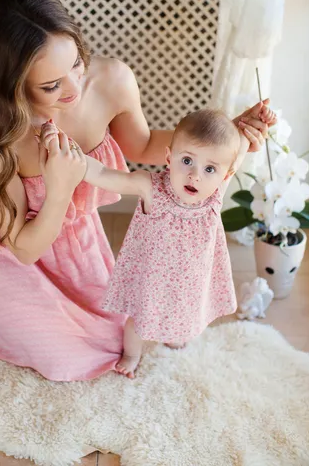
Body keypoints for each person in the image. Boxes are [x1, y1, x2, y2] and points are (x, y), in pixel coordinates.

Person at [0, 0, 272, 382]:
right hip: (11, 248)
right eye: (51, 86)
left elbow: (147, 145)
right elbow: (24, 249)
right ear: (11, 87)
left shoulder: (112, 80)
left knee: (117, 336)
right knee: (68, 361)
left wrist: (222, 142)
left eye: (77, 64)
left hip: (73, 245)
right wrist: (59, 187)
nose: (75, 89)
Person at [40, 107, 275, 378]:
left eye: (209, 168)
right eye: (187, 161)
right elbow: (104, 175)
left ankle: (174, 335)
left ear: (224, 174)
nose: (195, 175)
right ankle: (132, 353)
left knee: (184, 313)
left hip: (190, 278)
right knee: (138, 322)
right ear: (169, 157)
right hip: (152, 278)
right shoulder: (151, 187)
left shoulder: (215, 193)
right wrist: (68, 152)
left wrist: (258, 121)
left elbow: (241, 147)